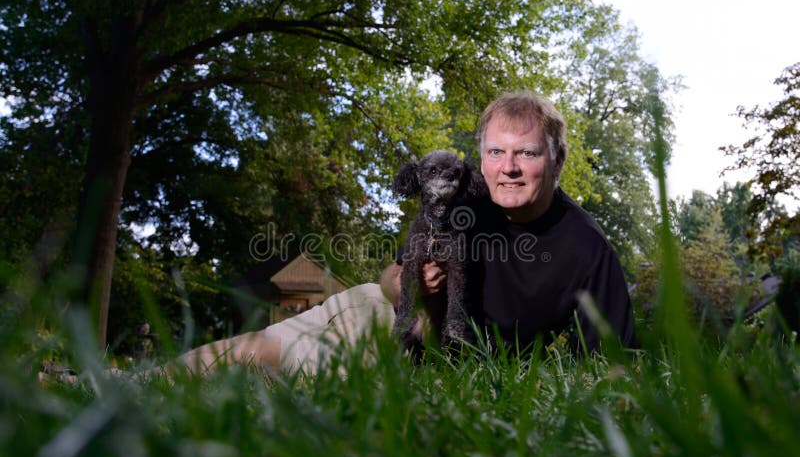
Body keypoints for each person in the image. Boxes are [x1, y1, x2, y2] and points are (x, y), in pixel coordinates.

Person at [175, 91, 635, 376]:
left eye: (527, 153)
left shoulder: (587, 249)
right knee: (244, 359)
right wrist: (410, 284)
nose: (508, 168)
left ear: (558, 160)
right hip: (378, 323)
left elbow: (608, 364)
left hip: (436, 367)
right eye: (496, 151)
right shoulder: (460, 201)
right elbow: (388, 279)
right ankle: (126, 385)